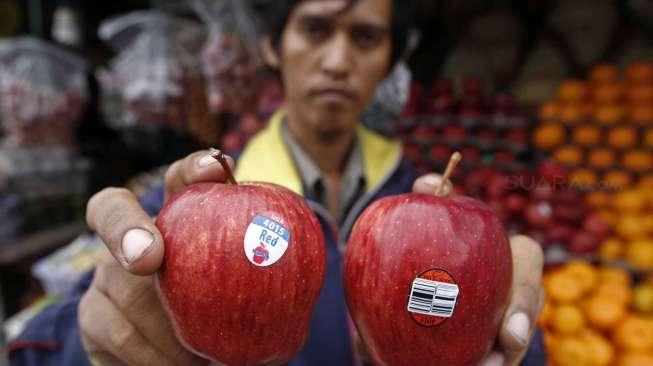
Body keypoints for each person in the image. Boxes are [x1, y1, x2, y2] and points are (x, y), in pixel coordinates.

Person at [9, 0, 546, 365]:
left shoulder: (441, 217)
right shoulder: (189, 204)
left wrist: (514, 335)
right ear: (272, 47)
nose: (337, 61)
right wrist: (92, 338)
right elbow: (41, 342)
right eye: (315, 29)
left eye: (365, 37)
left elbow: (512, 344)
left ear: (388, 62)